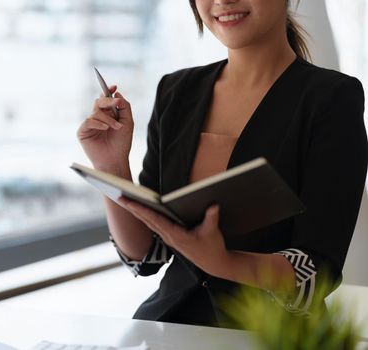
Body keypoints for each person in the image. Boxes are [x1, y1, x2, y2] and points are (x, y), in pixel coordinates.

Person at [77, 0, 368, 327]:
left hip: (269, 337)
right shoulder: (176, 91)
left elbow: (317, 273)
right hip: (167, 329)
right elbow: (146, 255)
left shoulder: (332, 99)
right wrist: (112, 168)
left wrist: (223, 262)